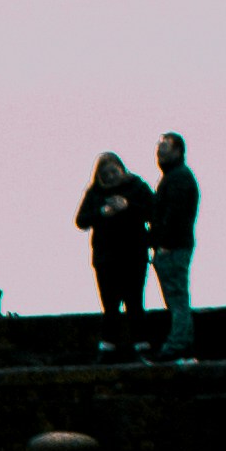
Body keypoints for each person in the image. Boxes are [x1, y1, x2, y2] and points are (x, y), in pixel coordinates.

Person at [76, 151, 154, 352]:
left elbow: (153, 211)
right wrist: (102, 213)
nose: (110, 177)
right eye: (105, 174)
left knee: (134, 300)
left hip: (134, 254)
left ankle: (141, 343)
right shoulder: (95, 193)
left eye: (113, 171)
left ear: (121, 168)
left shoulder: (137, 186)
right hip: (105, 257)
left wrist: (128, 206)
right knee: (110, 304)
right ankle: (109, 345)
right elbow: (81, 220)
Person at [145, 133, 200, 360]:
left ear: (178, 151)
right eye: (159, 147)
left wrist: (164, 245)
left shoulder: (178, 179)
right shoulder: (175, 177)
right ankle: (182, 343)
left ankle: (177, 345)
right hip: (174, 247)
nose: (160, 151)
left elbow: (175, 217)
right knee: (177, 298)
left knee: (177, 299)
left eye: (165, 147)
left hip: (173, 248)